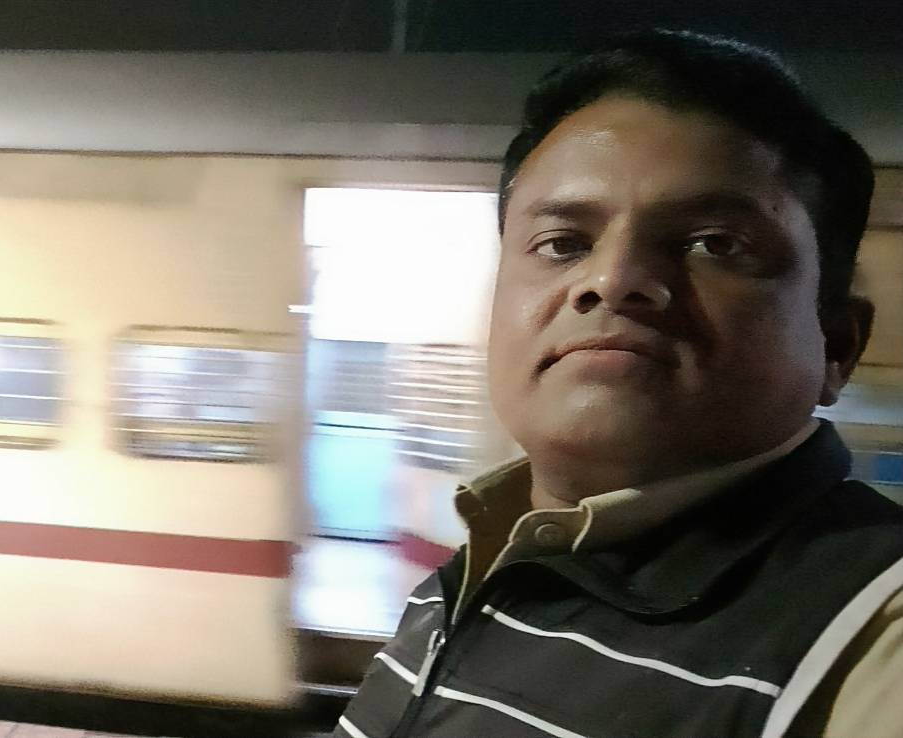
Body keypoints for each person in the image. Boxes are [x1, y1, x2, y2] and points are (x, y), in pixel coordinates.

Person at [335, 30, 900, 738]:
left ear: (837, 345)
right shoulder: (473, 573)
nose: (612, 279)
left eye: (715, 244)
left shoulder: (871, 638)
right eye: (563, 244)